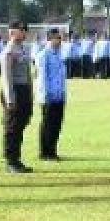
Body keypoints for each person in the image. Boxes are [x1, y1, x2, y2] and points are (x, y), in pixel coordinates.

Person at [0, 20, 34, 174]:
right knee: (12, 128)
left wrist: (30, 93)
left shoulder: (23, 49)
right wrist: (10, 99)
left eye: (25, 30)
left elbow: (27, 74)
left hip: (24, 90)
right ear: (12, 32)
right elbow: (6, 77)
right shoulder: (9, 51)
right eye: (22, 30)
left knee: (20, 126)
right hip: (14, 92)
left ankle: (17, 160)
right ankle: (10, 161)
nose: (25, 32)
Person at [34, 28, 68, 161]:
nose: (59, 40)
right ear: (49, 39)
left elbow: (60, 76)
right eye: (56, 38)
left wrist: (63, 93)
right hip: (48, 96)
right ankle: (44, 152)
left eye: (60, 38)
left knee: (56, 125)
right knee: (48, 124)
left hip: (59, 95)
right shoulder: (43, 55)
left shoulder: (59, 54)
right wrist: (45, 95)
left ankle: (52, 151)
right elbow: (42, 77)